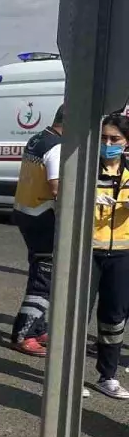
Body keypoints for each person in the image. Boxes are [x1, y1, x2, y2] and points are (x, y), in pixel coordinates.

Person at [10, 104, 64, 356]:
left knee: (40, 270)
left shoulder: (37, 138)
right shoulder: (57, 147)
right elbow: (57, 187)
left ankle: (40, 327)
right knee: (44, 279)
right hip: (43, 217)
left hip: (26, 212)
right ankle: (24, 333)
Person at [89, 113, 129, 399]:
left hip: (122, 254)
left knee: (114, 318)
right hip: (87, 252)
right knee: (76, 317)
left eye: (114, 139)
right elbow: (60, 198)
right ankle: (67, 377)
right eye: (103, 138)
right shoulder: (86, 168)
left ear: (126, 142)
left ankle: (108, 376)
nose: (108, 143)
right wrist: (86, 196)